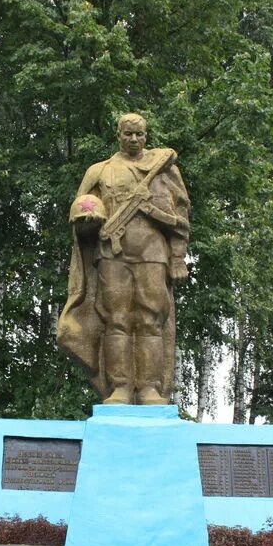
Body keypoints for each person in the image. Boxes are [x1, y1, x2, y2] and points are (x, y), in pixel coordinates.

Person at [57, 113, 190, 405]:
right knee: (115, 320)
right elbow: (82, 211)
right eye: (128, 134)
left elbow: (181, 216)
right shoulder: (100, 171)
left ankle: (149, 389)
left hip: (153, 254)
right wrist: (87, 222)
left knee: (150, 320)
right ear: (118, 134)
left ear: (146, 135)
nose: (133, 139)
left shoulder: (165, 171)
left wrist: (178, 257)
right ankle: (120, 387)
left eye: (139, 134)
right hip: (112, 254)